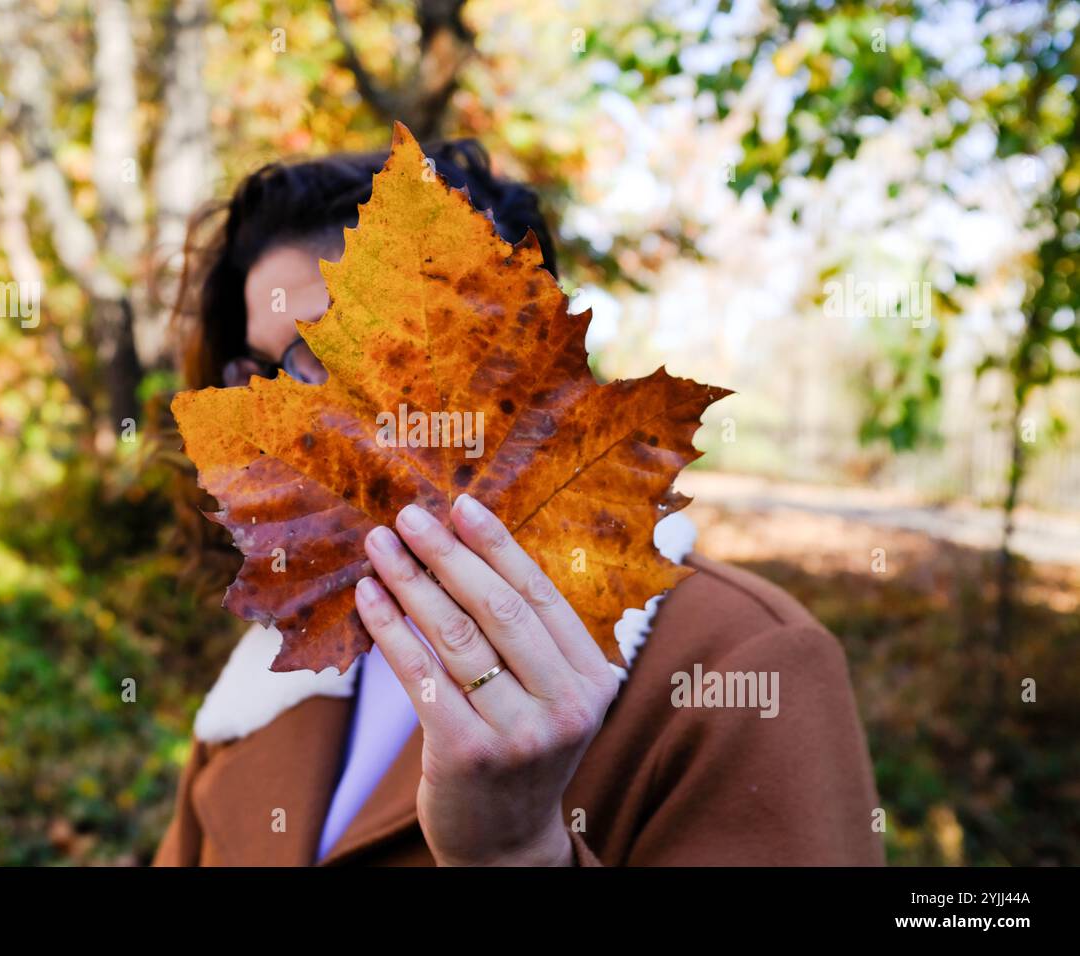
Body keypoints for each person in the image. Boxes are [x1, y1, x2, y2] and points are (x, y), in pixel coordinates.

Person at [155, 136, 883, 867]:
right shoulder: (269, 676)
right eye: (264, 370)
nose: (291, 414)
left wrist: (517, 853)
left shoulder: (742, 666)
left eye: (342, 353)